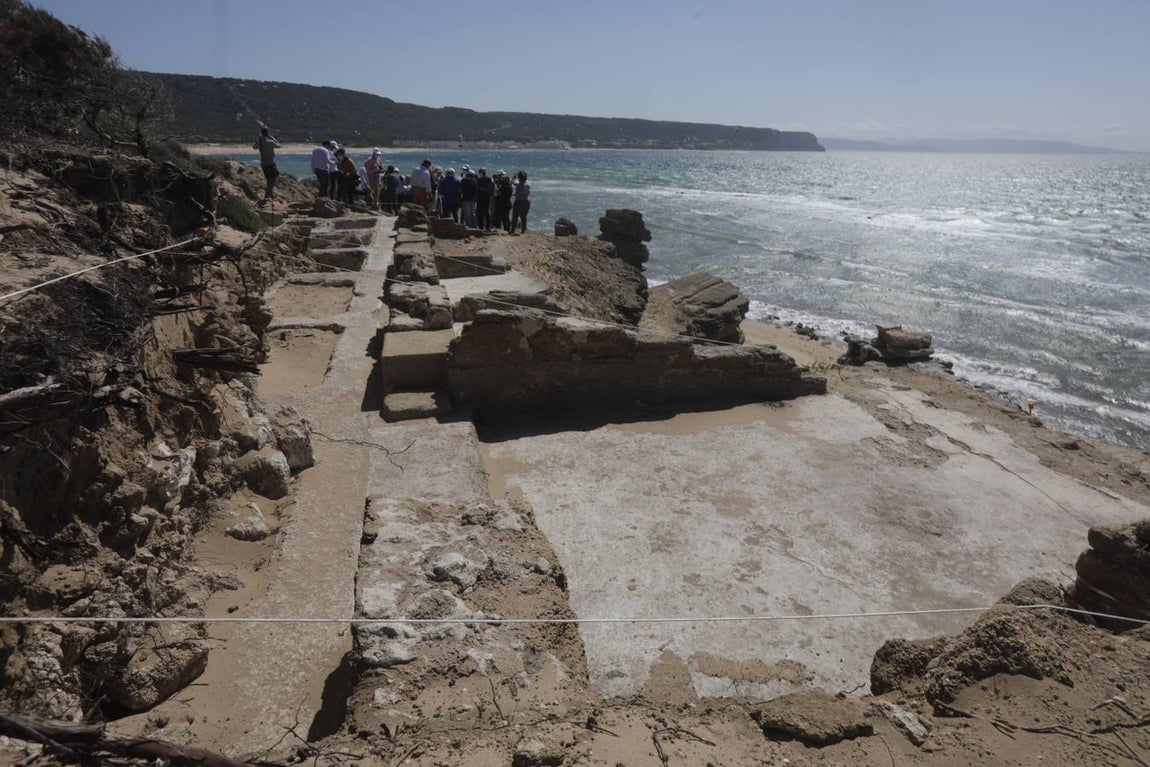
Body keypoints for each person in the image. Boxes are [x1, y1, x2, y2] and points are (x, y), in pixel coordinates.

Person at [253, 127, 281, 202]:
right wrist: (273, 138)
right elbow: (279, 145)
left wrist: (258, 139)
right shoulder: (270, 142)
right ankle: (267, 195)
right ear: (267, 134)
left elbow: (254, 147)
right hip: (271, 163)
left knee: (269, 179)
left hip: (263, 163)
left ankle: (271, 194)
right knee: (272, 180)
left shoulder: (259, 142)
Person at [509, 170, 531, 234]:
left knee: (515, 216)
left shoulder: (519, 185)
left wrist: (513, 179)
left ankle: (512, 230)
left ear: (519, 177)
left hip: (519, 201)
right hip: (527, 201)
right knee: (523, 216)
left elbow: (517, 193)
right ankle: (523, 230)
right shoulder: (528, 184)